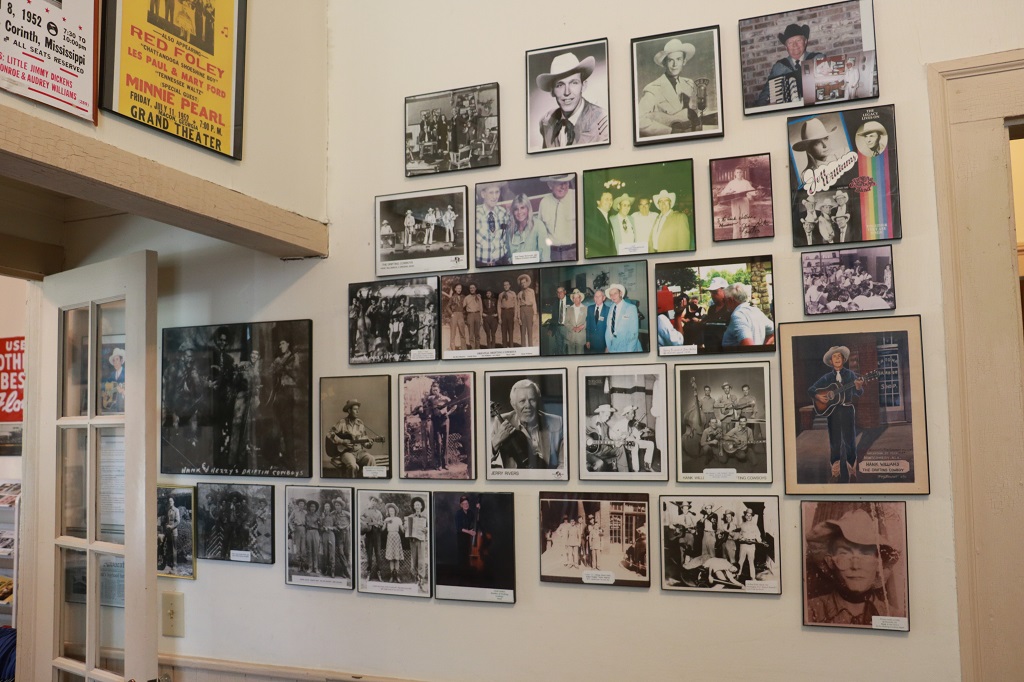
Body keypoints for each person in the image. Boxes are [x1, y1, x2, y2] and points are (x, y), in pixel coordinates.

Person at [806, 508, 901, 626]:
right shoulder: (809, 612)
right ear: (830, 562)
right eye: (844, 554)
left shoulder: (895, 617)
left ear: (878, 564)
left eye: (865, 554)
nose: (855, 566)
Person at [808, 345, 865, 483]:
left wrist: (858, 387)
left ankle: (852, 472)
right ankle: (835, 473)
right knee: (835, 443)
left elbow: (859, 393)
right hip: (833, 412)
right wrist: (818, 396)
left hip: (847, 410)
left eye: (839, 356)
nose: (837, 358)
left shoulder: (851, 375)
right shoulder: (827, 377)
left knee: (850, 442)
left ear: (844, 359)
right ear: (831, 361)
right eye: (834, 357)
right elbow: (811, 389)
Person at [536, 52, 609, 149]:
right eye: (560, 85)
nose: (567, 92)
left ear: (583, 86)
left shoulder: (604, 123)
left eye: (574, 83)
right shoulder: (546, 122)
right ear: (552, 91)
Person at [490, 379, 564, 469]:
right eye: (522, 401)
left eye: (532, 400)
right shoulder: (500, 422)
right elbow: (483, 461)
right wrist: (497, 439)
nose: (528, 406)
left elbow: (564, 463)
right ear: (513, 404)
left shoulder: (557, 422)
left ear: (538, 401)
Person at [637, 38, 699, 137]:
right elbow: (638, 120)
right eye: (670, 60)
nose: (675, 65)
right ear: (664, 63)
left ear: (684, 61)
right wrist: (670, 131)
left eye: (678, 59)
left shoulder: (689, 83)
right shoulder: (653, 89)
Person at [754, 23, 825, 106]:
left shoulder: (817, 59)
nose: (795, 45)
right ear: (786, 47)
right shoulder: (779, 67)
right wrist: (765, 108)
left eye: (798, 40)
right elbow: (765, 94)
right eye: (790, 42)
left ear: (805, 41)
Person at [326, 399, 376, 478]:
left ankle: (371, 483)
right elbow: (329, 434)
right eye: (355, 409)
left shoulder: (360, 423)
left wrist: (369, 444)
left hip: (360, 452)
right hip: (347, 453)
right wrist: (342, 441)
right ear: (349, 410)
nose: (357, 411)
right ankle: (352, 482)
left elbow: (364, 442)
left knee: (371, 459)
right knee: (352, 465)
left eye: (358, 409)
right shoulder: (342, 422)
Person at [270, 337, 301, 462]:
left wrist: (285, 369)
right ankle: (277, 455)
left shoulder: (294, 358)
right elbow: (269, 372)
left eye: (282, 343)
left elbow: (297, 375)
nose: (280, 346)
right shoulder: (278, 359)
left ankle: (290, 458)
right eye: (279, 344)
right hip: (277, 394)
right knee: (276, 426)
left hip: (288, 392)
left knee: (287, 426)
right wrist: (275, 370)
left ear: (288, 344)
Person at [413, 381, 455, 471]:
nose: (435, 391)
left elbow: (454, 405)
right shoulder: (431, 398)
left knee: (445, 442)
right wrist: (420, 406)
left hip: (445, 420)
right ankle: (439, 464)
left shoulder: (445, 398)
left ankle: (445, 464)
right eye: (433, 390)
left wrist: (448, 413)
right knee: (438, 443)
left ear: (439, 390)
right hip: (436, 422)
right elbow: (423, 400)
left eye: (436, 390)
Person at [536, 175, 577, 261]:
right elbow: (540, 231)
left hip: (573, 252)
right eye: (559, 183)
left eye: (565, 183)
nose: (563, 187)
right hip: (553, 254)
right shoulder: (544, 202)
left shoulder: (576, 197)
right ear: (550, 185)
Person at [722, 283, 775, 349]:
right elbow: (773, 331)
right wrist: (762, 349)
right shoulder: (756, 311)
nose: (724, 303)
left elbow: (748, 345)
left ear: (731, 300)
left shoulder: (738, 316)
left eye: (724, 300)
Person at [476, 181, 511, 267]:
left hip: (502, 262)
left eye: (497, 192)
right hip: (481, 264)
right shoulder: (475, 214)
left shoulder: (503, 212)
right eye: (491, 192)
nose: (495, 196)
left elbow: (506, 239)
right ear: (483, 194)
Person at [717, 167, 758, 239]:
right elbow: (723, 192)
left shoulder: (746, 182)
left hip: (744, 201)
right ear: (735, 174)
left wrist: (756, 192)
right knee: (735, 219)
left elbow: (752, 191)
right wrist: (729, 192)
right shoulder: (731, 183)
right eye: (737, 172)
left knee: (745, 219)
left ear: (742, 173)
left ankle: (745, 237)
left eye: (740, 172)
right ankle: (736, 237)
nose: (739, 174)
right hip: (735, 201)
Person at [585, 404, 623, 472]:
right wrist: (587, 439)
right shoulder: (587, 420)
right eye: (606, 415)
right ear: (601, 413)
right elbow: (578, 431)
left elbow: (605, 439)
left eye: (609, 416)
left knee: (620, 449)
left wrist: (614, 443)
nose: (608, 418)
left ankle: (623, 472)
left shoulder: (605, 426)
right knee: (600, 463)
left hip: (600, 450)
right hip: (587, 451)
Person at [605, 283, 642, 353]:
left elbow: (634, 333)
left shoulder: (631, 308)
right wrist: (608, 346)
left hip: (626, 346)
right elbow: (609, 327)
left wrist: (629, 351)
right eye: (611, 294)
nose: (613, 296)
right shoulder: (611, 307)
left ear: (621, 293)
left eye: (615, 293)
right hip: (613, 345)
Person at [360, 496, 385, 581]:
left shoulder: (379, 513)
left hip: (377, 533)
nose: (374, 502)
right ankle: (369, 573)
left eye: (376, 501)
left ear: (377, 503)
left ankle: (379, 573)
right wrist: (367, 521)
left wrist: (380, 524)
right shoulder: (365, 510)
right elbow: (360, 518)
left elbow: (381, 523)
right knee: (369, 554)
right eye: (373, 501)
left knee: (378, 554)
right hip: (369, 534)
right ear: (370, 501)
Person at [406, 497, 429, 589]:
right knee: (414, 558)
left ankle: (421, 578)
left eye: (419, 505)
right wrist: (405, 527)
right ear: (414, 507)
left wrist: (426, 529)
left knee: (421, 559)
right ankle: (415, 577)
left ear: (421, 506)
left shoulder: (425, 518)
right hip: (413, 540)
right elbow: (406, 527)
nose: (417, 506)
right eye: (415, 505)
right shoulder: (410, 517)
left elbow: (429, 528)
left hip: (421, 540)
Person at [508, 193, 541, 258]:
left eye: (522, 208)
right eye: (516, 209)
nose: (519, 212)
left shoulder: (538, 225)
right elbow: (509, 255)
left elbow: (545, 256)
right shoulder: (510, 228)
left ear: (528, 208)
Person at [586, 190, 616, 258]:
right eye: (606, 199)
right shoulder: (593, 217)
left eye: (611, 199)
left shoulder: (607, 217)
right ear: (598, 201)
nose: (610, 202)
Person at [736, 508, 762, 582]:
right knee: (741, 561)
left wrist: (759, 540)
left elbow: (758, 534)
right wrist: (741, 538)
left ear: (752, 516)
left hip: (751, 546)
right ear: (745, 516)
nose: (748, 517)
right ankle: (738, 574)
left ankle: (752, 577)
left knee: (751, 561)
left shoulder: (754, 525)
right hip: (743, 545)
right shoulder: (742, 525)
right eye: (747, 515)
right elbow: (739, 534)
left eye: (750, 515)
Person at [382, 503, 405, 583]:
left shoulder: (398, 519)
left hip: (396, 537)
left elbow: (402, 530)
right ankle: (392, 575)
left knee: (397, 557)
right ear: (388, 512)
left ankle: (397, 575)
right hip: (390, 537)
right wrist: (383, 523)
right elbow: (382, 529)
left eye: (392, 510)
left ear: (395, 511)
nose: (391, 512)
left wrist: (406, 526)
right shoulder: (387, 519)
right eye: (390, 511)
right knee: (391, 558)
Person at [456, 496, 478, 572]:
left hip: (468, 537)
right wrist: (469, 532)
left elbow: (476, 521)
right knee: (462, 555)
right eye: (464, 503)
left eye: (467, 503)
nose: (466, 505)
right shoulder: (458, 514)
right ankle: (461, 572)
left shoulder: (470, 513)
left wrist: (478, 509)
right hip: (461, 537)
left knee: (468, 554)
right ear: (461, 505)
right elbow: (459, 528)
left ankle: (467, 571)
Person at [442, 283, 467, 351]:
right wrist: (451, 314)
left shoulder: (463, 297)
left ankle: (464, 348)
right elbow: (447, 307)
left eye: (460, 288)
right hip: (454, 315)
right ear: (455, 289)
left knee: (462, 332)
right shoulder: (452, 297)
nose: (459, 289)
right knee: (453, 332)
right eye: (458, 288)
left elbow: (467, 304)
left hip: (461, 315)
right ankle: (452, 348)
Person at [585, 288, 611, 354]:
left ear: (604, 298)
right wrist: (588, 340)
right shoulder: (590, 308)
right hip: (592, 342)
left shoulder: (608, 310)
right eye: (595, 296)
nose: (597, 298)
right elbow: (588, 325)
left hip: (603, 343)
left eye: (599, 296)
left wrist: (608, 345)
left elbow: (609, 329)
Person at [545, 286, 569, 355]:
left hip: (567, 328)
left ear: (565, 292)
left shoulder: (570, 301)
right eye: (558, 292)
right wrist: (550, 329)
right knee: (559, 348)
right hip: (557, 328)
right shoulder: (555, 303)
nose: (559, 293)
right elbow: (554, 317)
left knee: (566, 349)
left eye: (561, 291)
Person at [103, 347, 126, 413]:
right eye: (114, 360)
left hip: (124, 406)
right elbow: (105, 384)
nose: (115, 362)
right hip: (114, 406)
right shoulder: (112, 375)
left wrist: (123, 391)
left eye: (117, 359)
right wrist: (106, 393)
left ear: (121, 361)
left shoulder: (126, 373)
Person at [565, 289, 588, 355]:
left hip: (580, 337)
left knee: (580, 356)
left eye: (577, 297)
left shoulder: (585, 308)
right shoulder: (569, 309)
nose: (576, 299)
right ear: (572, 299)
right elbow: (566, 322)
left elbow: (588, 321)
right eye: (574, 298)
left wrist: (581, 327)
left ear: (580, 298)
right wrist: (573, 328)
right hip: (571, 337)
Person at [516, 274, 536, 348]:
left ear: (527, 282)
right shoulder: (519, 294)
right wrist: (519, 317)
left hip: (529, 310)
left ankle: (530, 347)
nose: (523, 284)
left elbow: (534, 303)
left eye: (524, 282)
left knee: (530, 330)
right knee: (523, 331)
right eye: (522, 283)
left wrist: (535, 314)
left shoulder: (531, 291)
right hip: (522, 310)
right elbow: (518, 306)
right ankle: (523, 347)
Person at [320, 501, 338, 578]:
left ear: (330, 508)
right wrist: (323, 527)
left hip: (331, 534)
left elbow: (337, 527)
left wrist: (331, 528)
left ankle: (332, 570)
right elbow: (320, 527)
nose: (326, 508)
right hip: (324, 535)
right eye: (325, 506)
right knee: (325, 552)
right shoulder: (322, 516)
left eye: (327, 506)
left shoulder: (333, 516)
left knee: (332, 552)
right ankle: (326, 569)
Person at [303, 499, 322, 576]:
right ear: (309, 507)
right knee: (309, 550)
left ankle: (316, 567)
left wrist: (319, 522)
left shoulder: (318, 516)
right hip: (308, 532)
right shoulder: (306, 515)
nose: (312, 508)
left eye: (314, 507)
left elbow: (321, 526)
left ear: (316, 508)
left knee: (316, 550)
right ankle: (310, 567)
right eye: (311, 506)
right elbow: (304, 525)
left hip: (316, 532)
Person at [498, 280, 518, 348]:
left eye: (507, 285)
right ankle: (504, 346)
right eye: (504, 285)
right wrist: (499, 317)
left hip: (511, 312)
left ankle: (511, 346)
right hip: (503, 312)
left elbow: (516, 305)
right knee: (503, 330)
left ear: (509, 286)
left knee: (511, 330)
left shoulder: (513, 293)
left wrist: (515, 316)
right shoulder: (501, 294)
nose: (506, 286)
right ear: (503, 286)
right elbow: (498, 306)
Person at [163, 495, 180, 574]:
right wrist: (166, 525)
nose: (170, 502)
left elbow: (178, 521)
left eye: (171, 501)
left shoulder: (176, 510)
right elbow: (167, 520)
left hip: (174, 532)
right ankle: (169, 564)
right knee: (169, 548)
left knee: (174, 548)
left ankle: (175, 565)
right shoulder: (168, 510)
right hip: (168, 532)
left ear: (174, 502)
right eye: (169, 501)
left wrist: (171, 526)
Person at [463, 283, 483, 350]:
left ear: (475, 288)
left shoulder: (478, 297)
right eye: (470, 288)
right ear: (469, 289)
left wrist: (481, 318)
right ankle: (472, 347)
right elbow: (462, 306)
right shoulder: (466, 298)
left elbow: (481, 308)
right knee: (471, 333)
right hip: (470, 315)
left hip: (477, 315)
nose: (472, 289)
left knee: (477, 333)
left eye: (473, 288)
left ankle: (478, 347)